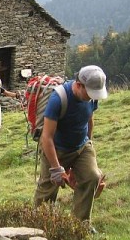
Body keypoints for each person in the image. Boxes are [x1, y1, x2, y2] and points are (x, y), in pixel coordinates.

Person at [34, 65, 108, 231]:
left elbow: (89, 119)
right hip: (57, 149)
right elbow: (47, 137)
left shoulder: (92, 97)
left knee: (92, 177)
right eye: (88, 93)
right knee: (47, 190)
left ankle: (80, 225)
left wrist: (89, 142)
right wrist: (55, 168)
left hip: (82, 145)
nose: (91, 98)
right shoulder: (59, 99)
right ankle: (38, 227)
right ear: (79, 84)